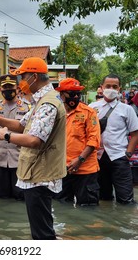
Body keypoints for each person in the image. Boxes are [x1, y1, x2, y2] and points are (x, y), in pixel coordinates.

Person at [0, 57, 67, 240]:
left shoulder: (47, 104)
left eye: (23, 77)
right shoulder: (41, 101)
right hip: (35, 172)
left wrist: (6, 135)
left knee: (42, 233)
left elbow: (34, 140)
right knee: (41, 228)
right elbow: (21, 125)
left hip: (40, 175)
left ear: (34, 77)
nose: (21, 83)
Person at [89, 74, 138, 204]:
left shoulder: (127, 109)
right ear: (101, 87)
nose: (111, 89)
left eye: (114, 86)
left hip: (119, 157)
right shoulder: (92, 108)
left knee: (126, 200)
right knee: (102, 198)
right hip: (97, 158)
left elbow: (135, 133)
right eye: (108, 86)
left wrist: (128, 154)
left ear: (119, 89)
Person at [53, 78, 101, 206]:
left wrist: (80, 160)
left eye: (78, 94)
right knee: (61, 207)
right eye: (71, 93)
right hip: (62, 169)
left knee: (88, 208)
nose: (75, 97)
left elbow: (94, 140)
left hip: (86, 170)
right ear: (61, 94)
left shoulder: (88, 113)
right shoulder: (56, 113)